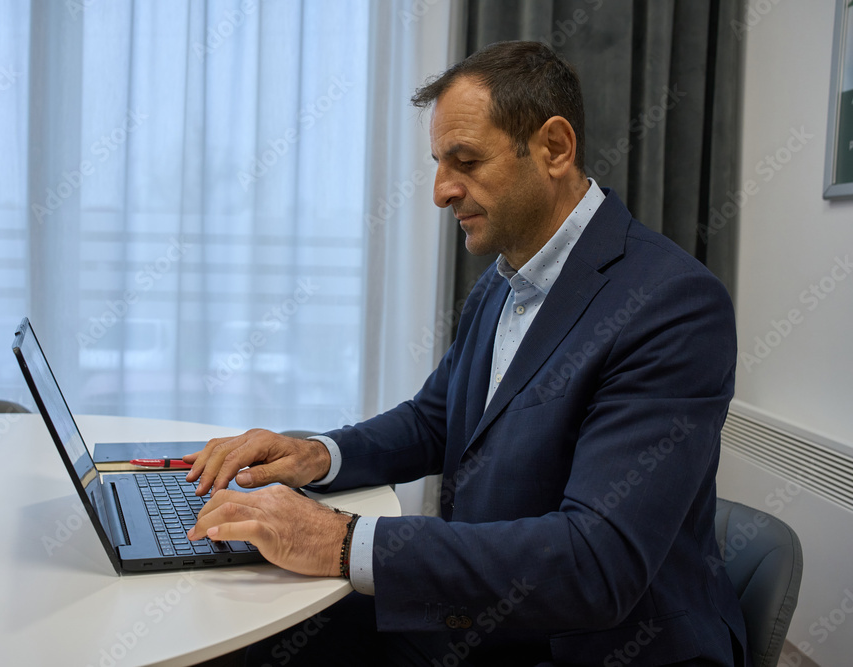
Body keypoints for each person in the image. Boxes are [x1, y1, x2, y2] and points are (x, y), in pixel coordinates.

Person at [185, 40, 747, 666]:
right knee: (252, 632)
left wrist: (343, 540)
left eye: (466, 161)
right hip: (485, 615)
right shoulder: (505, 279)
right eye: (438, 164)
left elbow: (597, 563)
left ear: (555, 148)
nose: (440, 192)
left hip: (597, 645)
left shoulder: (672, 304)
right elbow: (435, 419)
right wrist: (316, 455)